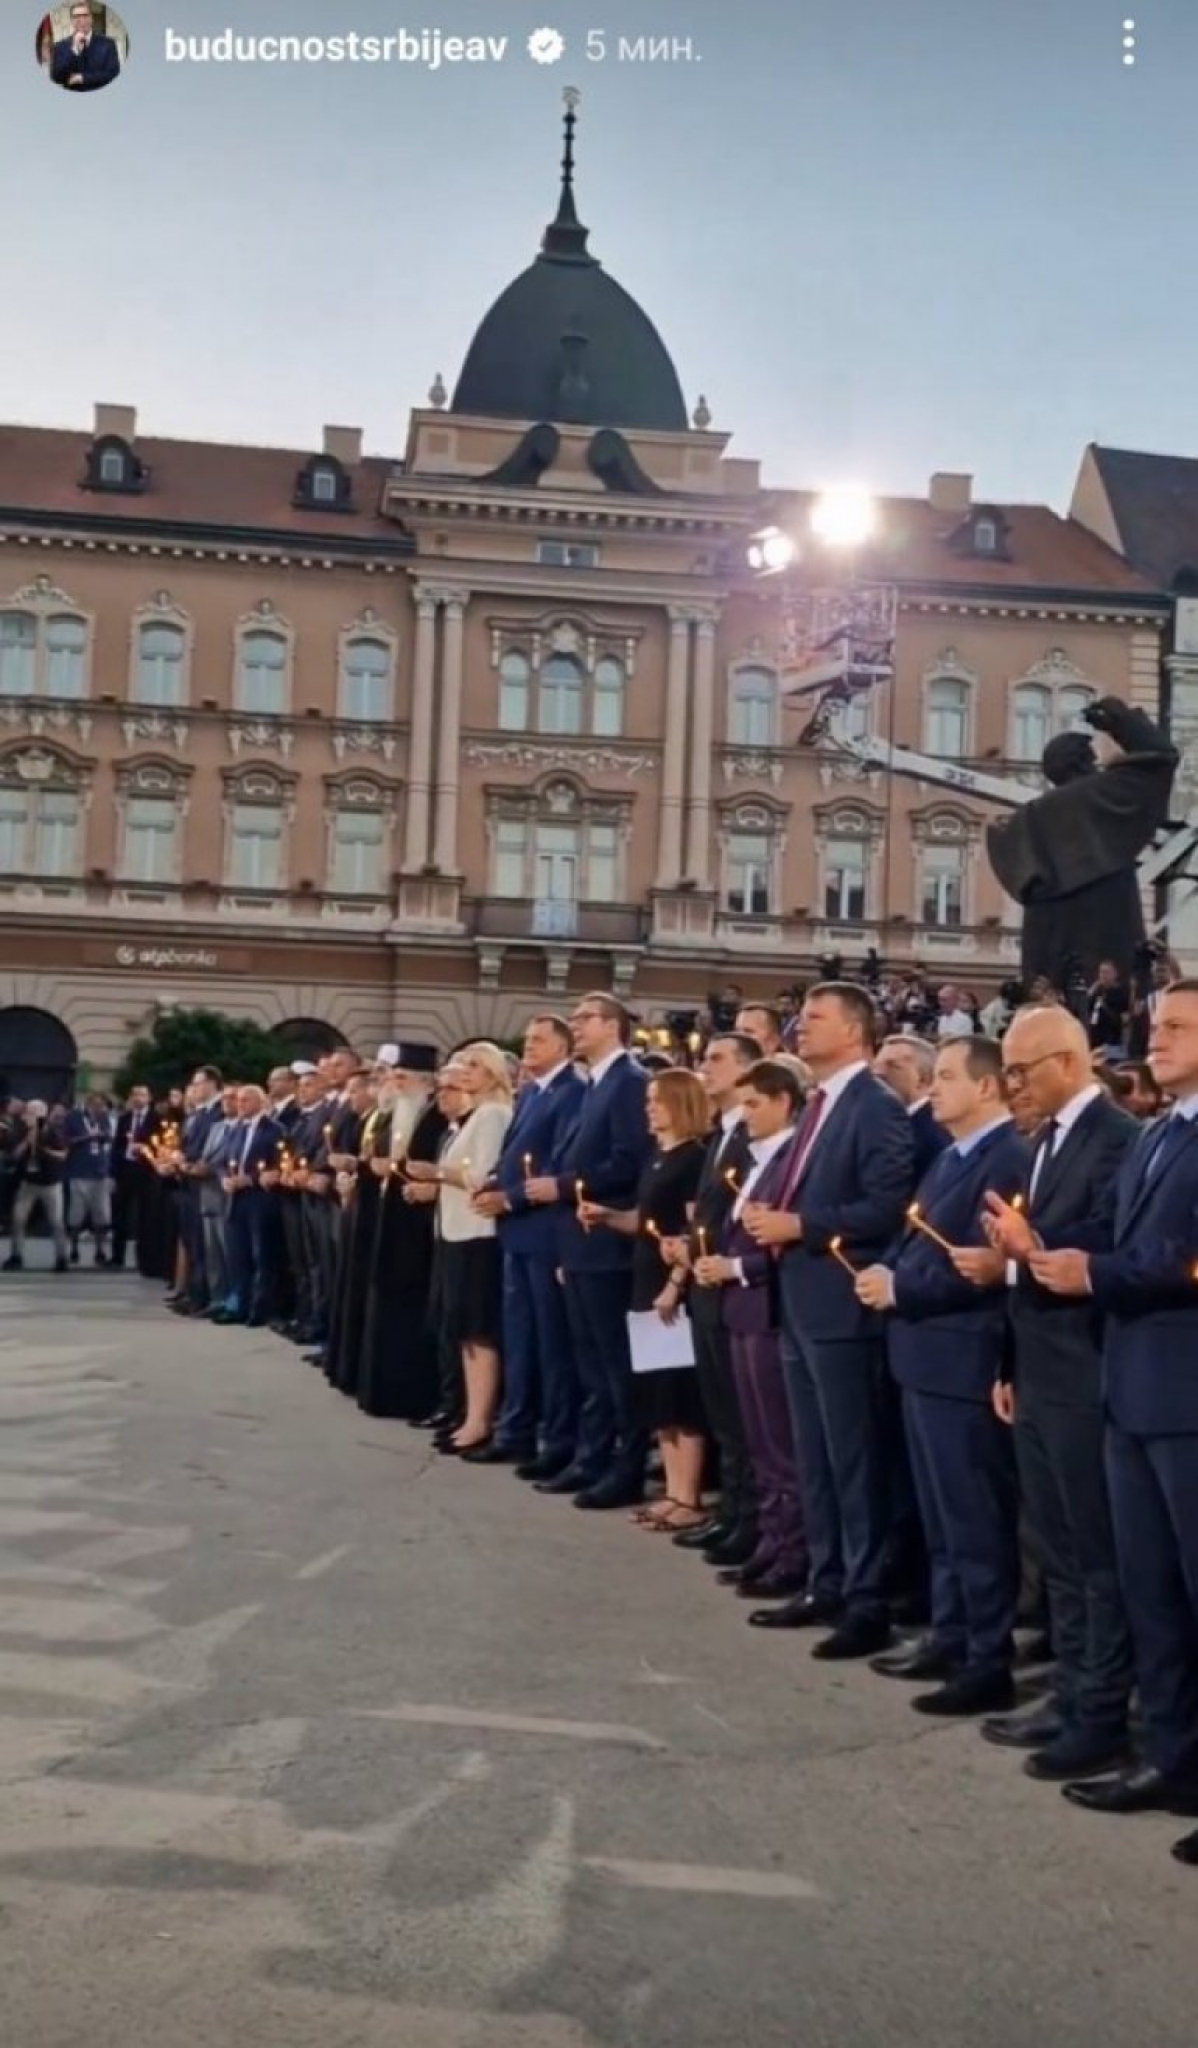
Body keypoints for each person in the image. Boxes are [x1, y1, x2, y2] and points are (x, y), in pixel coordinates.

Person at [1026, 981, 1198, 1856]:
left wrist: (1088, 1273)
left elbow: (1180, 1260)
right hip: (1130, 1385)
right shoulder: (1164, 1132)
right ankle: (1171, 1757)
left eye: (1176, 1026)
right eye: (1156, 1024)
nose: (1154, 1037)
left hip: (1186, 1394)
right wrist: (1056, 1258)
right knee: (1154, 1591)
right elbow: (1127, 1241)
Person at [974, 1005, 1138, 1781]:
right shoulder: (1045, 1144)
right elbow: (1027, 1259)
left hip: (1084, 1369)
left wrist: (1029, 1248)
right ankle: (1070, 1694)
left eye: (1021, 1071)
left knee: (1090, 1552)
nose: (1012, 1087)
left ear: (1068, 1062)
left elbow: (1109, 1248)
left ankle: (1099, 1712)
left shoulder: (1118, 1139)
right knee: (1058, 1549)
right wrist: (1008, 1364)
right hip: (1037, 1369)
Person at [856, 1036, 1028, 1716]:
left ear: (987, 1088)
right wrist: (887, 1270)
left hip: (963, 1354)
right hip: (924, 1353)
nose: (939, 1087)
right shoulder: (955, 1155)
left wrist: (902, 1288)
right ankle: (950, 1632)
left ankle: (987, 1657)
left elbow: (979, 1263)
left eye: (951, 1076)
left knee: (974, 1516)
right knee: (940, 1511)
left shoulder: (1007, 1153)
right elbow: (917, 1234)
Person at [741, 981, 916, 1653]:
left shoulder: (874, 1106)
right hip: (800, 1298)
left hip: (843, 1306)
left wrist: (800, 1223)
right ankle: (826, 1579)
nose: (799, 1027)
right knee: (814, 1457)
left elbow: (885, 1206)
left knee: (853, 1459)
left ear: (856, 1030)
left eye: (815, 1018)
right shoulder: (818, 1104)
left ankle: (866, 1599)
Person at [525, 992, 652, 1510]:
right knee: (589, 1364)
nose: (575, 1026)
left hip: (609, 1241)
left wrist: (565, 1184)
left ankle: (625, 1465)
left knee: (615, 1366)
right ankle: (591, 1456)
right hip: (578, 1242)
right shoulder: (597, 1082)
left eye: (585, 1019)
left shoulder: (629, 1082)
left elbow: (628, 1162)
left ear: (614, 1025)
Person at [697, 1058, 808, 1599]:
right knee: (760, 1441)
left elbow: (782, 1243)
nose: (745, 1116)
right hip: (740, 1309)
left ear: (785, 1101)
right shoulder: (757, 1158)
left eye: (755, 1104)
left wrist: (737, 1266)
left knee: (779, 1444)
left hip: (765, 1306)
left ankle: (790, 1551)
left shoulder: (790, 1157)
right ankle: (769, 1542)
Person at [581, 1067, 709, 1531]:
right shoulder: (658, 1155)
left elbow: (695, 1230)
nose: (649, 1106)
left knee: (679, 1393)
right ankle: (673, 1492)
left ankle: (689, 1496)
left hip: (669, 1287)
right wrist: (607, 1216)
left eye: (658, 1099)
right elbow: (645, 1221)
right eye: (648, 1099)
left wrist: (676, 1283)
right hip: (644, 1279)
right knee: (657, 1394)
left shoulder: (694, 1158)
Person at [987, 695, 1177, 987]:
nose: (1098, 763)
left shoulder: (1028, 817)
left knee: (1054, 1007)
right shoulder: (1104, 792)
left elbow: (1007, 856)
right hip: (1109, 914)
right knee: (1113, 999)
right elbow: (1161, 756)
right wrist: (1119, 719)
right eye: (1092, 757)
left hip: (1048, 934)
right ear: (1084, 761)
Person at [469, 1015, 585, 1474]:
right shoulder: (533, 1091)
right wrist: (497, 1179)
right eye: (528, 1039)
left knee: (550, 1344)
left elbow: (557, 1162)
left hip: (544, 1230)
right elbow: (518, 1153)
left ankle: (556, 1438)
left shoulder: (571, 1091)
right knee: (519, 1337)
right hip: (516, 1232)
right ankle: (514, 1429)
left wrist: (510, 1197)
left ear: (563, 1046)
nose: (529, 1046)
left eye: (539, 1040)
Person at [661, 1032, 758, 1565]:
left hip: (727, 1279)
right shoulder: (722, 1132)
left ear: (746, 1071)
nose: (705, 1066)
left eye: (717, 1059)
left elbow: (734, 1213)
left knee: (741, 1417)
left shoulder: (749, 1134)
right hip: (701, 1274)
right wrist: (687, 1242)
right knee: (722, 1408)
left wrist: (706, 1243)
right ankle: (732, 1513)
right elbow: (707, 1210)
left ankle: (747, 1518)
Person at [407, 1041, 512, 1453]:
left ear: (491, 1072)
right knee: (464, 1332)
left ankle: (479, 1419)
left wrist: (437, 1173)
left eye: (474, 1065)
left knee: (478, 1332)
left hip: (477, 1233)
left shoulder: (492, 1114)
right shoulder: (472, 1118)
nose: (464, 1071)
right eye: (462, 1064)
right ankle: (469, 1414)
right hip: (456, 1229)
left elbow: (482, 1175)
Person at [217, 1084, 284, 1328]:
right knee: (238, 1255)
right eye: (238, 1100)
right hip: (236, 1199)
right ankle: (240, 1305)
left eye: (246, 1100)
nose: (240, 1104)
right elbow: (223, 1161)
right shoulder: (236, 1130)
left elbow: (279, 1163)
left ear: (259, 1102)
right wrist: (224, 1178)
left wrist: (252, 1179)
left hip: (260, 1200)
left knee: (261, 1255)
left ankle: (260, 1308)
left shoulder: (274, 1129)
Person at [4, 1101, 70, 1271]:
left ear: (45, 1113)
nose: (33, 1115)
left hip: (50, 1183)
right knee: (18, 1219)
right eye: (30, 1111)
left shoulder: (52, 1131)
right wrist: (28, 1139)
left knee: (56, 1221)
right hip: (29, 1183)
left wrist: (44, 1149)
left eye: (37, 1111)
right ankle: (16, 1255)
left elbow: (63, 1154)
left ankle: (61, 1257)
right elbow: (14, 1155)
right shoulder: (20, 1132)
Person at [873, 1036, 948, 1181]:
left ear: (923, 1079)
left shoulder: (933, 1133)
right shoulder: (893, 1125)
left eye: (893, 1066)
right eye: (876, 1066)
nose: (878, 1073)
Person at [62, 1091, 114, 1266]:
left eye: (102, 1106)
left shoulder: (103, 1118)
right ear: (89, 1103)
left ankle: (100, 1250)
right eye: (97, 1105)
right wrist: (87, 1137)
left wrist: (102, 1135)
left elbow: (108, 1136)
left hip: (100, 1172)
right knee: (76, 1214)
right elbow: (66, 1140)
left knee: (101, 1215)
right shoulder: (74, 1117)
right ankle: (73, 1249)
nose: (100, 1109)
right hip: (79, 1171)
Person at [51, 3, 121, 91]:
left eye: (85, 15)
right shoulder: (60, 46)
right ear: (72, 20)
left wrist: (83, 78)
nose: (82, 19)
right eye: (77, 16)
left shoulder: (108, 44)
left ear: (92, 18)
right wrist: (74, 51)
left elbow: (113, 74)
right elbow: (56, 77)